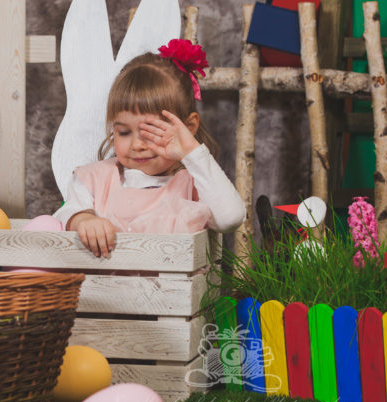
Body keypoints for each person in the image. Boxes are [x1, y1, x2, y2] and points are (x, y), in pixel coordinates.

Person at [53, 39, 245, 258]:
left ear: (188, 127)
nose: (137, 145)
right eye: (124, 132)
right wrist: (83, 219)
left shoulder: (194, 184)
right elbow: (62, 216)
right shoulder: (95, 179)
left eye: (151, 132)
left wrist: (192, 152)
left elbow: (230, 218)